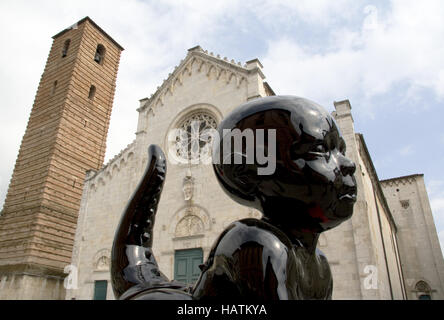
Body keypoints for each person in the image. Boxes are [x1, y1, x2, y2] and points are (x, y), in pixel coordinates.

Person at [111, 96, 357, 300]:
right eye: (321, 149)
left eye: (341, 150)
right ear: (246, 174)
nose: (348, 164)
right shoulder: (256, 241)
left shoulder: (320, 263)